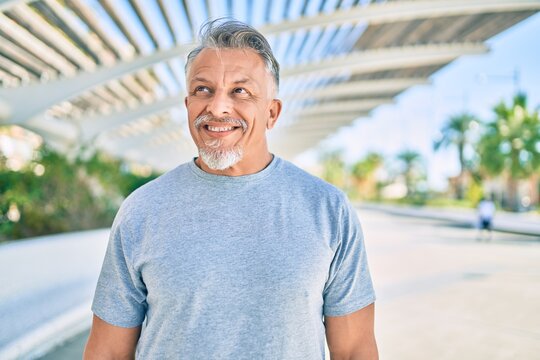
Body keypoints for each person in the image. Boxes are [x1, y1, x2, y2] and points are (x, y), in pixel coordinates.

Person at [84, 19, 377, 360]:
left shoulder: (327, 209)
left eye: (240, 91)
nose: (217, 107)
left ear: (272, 112)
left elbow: (355, 349)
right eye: (203, 90)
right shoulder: (142, 210)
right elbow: (106, 351)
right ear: (188, 104)